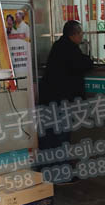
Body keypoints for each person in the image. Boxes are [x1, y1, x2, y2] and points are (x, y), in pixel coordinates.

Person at [38, 21, 93, 178]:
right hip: (61, 101)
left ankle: (46, 172)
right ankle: (61, 173)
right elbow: (84, 64)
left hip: (48, 99)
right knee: (61, 136)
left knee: (49, 136)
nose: (82, 37)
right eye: (81, 34)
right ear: (74, 34)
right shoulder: (70, 49)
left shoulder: (58, 46)